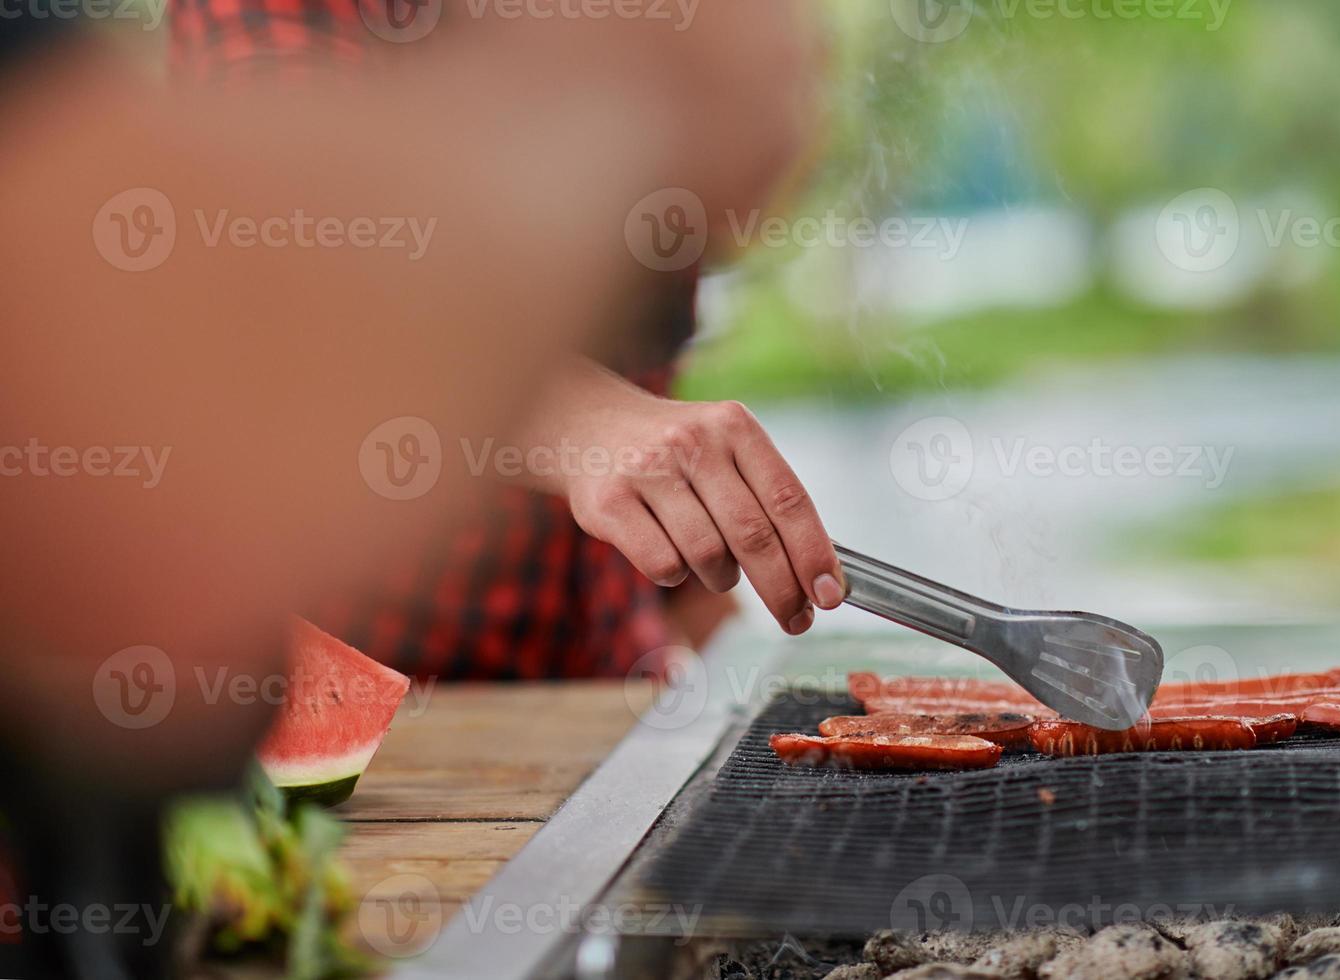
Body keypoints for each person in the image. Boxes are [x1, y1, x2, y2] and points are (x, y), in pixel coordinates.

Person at [0, 4, 829, 974]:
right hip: (358, 738)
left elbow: (633, 344)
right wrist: (632, 92)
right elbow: (268, 271)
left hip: (602, 696)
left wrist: (690, 603)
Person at [170, 0, 847, 684]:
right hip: (378, 689)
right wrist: (585, 426)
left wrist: (710, 604)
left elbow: (651, 339)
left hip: (610, 679)